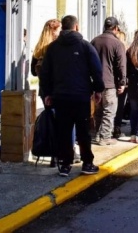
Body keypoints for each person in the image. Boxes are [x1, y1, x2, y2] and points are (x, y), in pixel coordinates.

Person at [39, 15, 104, 177]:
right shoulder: (85, 46)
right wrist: (98, 90)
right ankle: (87, 163)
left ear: (63, 28)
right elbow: (96, 71)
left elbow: (45, 73)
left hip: (60, 97)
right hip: (81, 96)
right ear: (76, 27)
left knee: (64, 131)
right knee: (83, 131)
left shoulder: (53, 48)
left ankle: (65, 164)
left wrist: (47, 93)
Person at [90, 16, 127, 146]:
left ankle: (98, 135)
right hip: (110, 83)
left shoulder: (94, 41)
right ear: (116, 28)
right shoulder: (117, 43)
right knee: (109, 111)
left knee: (99, 111)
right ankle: (105, 136)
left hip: (96, 83)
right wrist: (122, 82)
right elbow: (121, 65)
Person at [113, 29, 129, 139]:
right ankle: (116, 128)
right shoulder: (123, 49)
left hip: (110, 81)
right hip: (121, 82)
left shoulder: (112, 46)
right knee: (119, 106)